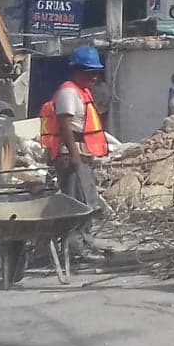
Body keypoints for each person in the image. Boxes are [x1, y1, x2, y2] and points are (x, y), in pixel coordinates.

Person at [38, 46, 110, 258]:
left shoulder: (81, 92)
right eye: (89, 73)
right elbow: (65, 125)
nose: (94, 78)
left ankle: (86, 242)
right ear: (77, 71)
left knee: (87, 201)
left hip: (80, 154)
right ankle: (76, 249)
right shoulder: (68, 92)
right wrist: (75, 157)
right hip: (71, 155)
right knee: (76, 203)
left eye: (95, 73)